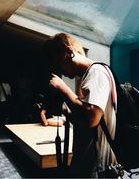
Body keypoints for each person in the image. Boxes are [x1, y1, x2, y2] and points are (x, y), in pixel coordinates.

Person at [43, 33, 118, 178]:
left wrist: (63, 89)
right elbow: (89, 121)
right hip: (90, 165)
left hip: (98, 169)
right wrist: (69, 112)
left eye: (57, 63)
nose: (60, 70)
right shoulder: (87, 75)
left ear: (69, 51)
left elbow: (92, 118)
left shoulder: (96, 73)